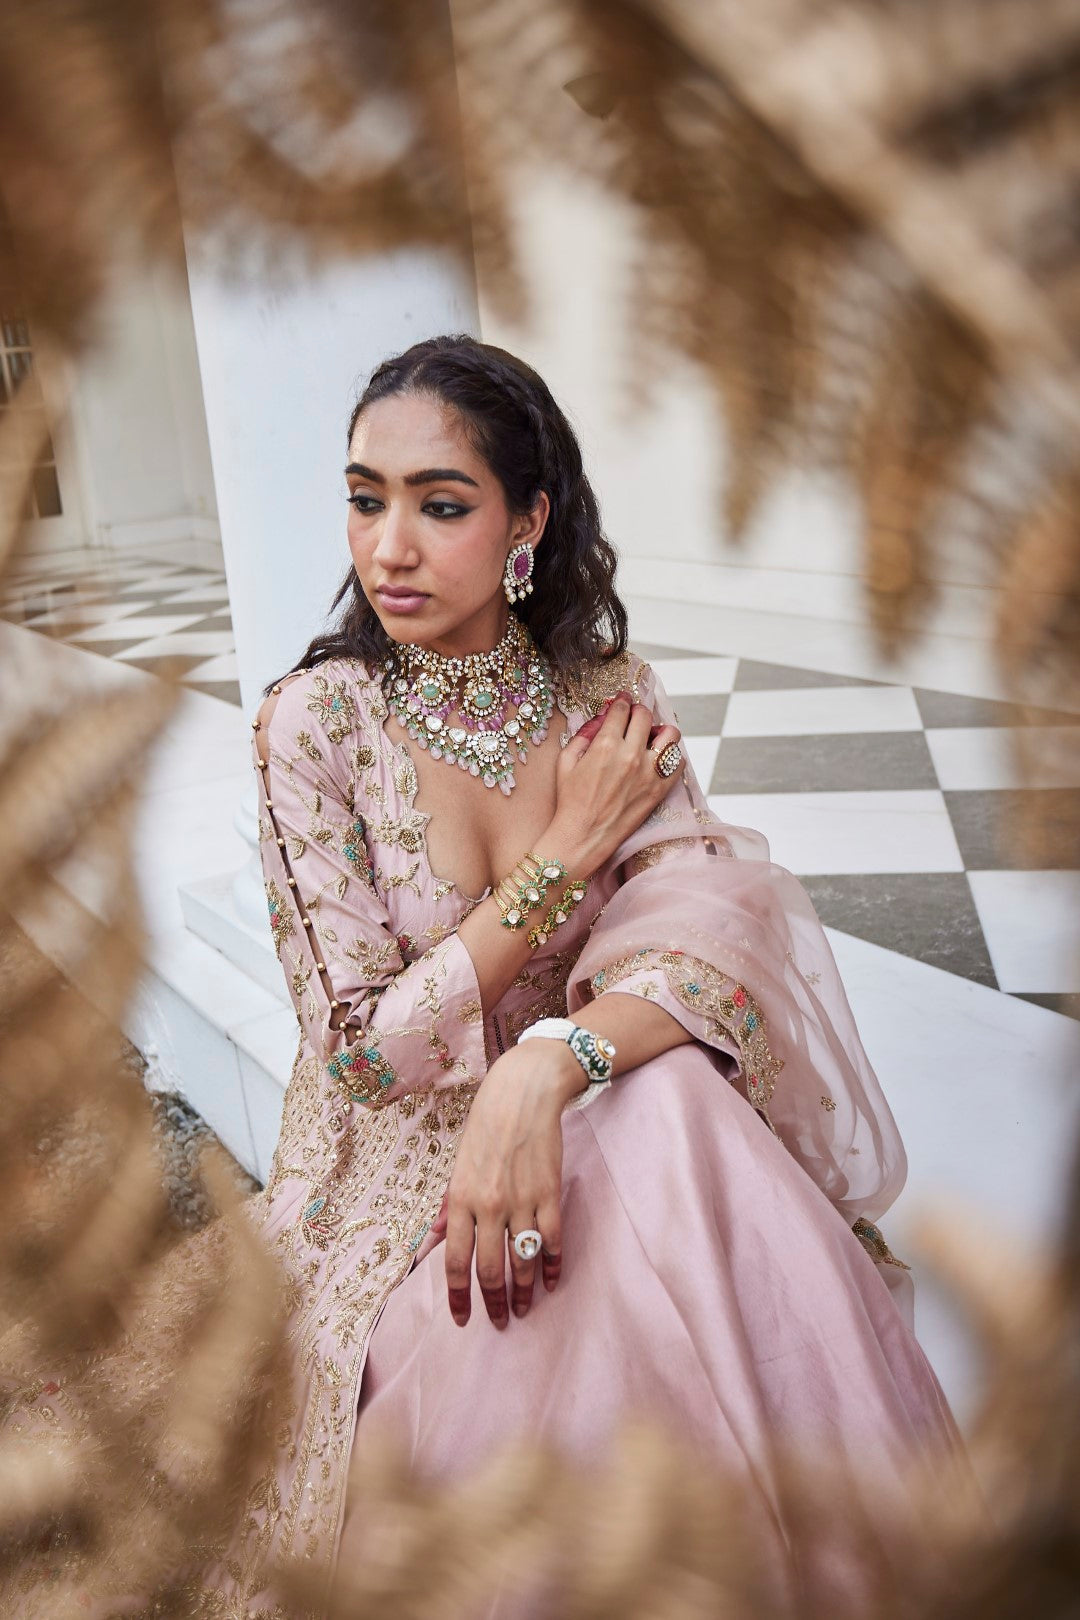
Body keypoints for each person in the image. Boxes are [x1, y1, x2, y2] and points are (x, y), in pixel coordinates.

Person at [222, 332, 964, 1615]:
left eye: (440, 505)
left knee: (674, 1107)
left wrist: (546, 1067)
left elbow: (704, 945)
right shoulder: (317, 723)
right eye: (364, 499)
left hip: (594, 1100)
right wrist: (564, 857)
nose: (388, 547)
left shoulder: (606, 696)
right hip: (401, 1169)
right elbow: (364, 1054)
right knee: (644, 1191)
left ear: (528, 521)